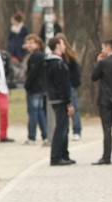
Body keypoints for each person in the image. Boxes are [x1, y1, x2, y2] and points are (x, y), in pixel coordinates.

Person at [45, 37, 75, 166]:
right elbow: (63, 85)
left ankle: (64, 154)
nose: (64, 46)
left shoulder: (50, 62)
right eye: (62, 44)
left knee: (63, 127)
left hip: (55, 98)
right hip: (60, 99)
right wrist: (68, 102)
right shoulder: (57, 63)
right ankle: (56, 157)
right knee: (61, 128)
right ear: (57, 45)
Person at [56, 34, 83, 141]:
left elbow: (76, 73)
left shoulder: (70, 57)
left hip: (70, 85)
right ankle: (64, 130)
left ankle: (77, 130)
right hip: (60, 86)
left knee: (73, 108)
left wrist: (74, 84)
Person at [23, 34, 47, 145]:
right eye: (28, 43)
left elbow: (33, 73)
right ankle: (45, 135)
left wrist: (27, 84)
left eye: (32, 43)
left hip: (35, 88)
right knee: (40, 111)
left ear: (37, 44)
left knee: (33, 112)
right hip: (39, 87)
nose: (29, 45)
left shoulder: (36, 56)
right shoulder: (36, 56)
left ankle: (32, 136)